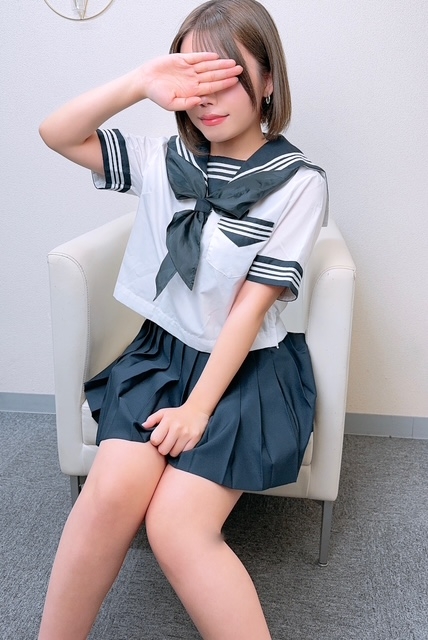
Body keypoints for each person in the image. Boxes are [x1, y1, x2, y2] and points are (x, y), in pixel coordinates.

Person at [38, 0, 328, 638]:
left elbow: (250, 308)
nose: (208, 98)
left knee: (175, 526)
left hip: (247, 370)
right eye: (196, 78)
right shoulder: (163, 159)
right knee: (108, 496)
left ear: (268, 81)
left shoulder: (298, 182)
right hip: (162, 357)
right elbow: (57, 133)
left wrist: (198, 409)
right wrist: (140, 80)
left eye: (227, 76)